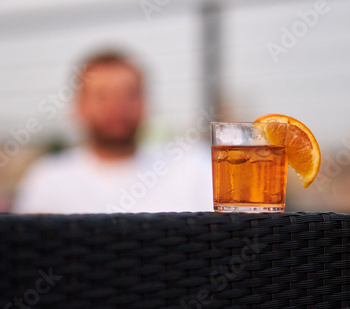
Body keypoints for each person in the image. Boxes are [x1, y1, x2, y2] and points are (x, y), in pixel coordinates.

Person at [12, 51, 212, 213]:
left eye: (130, 94)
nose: (117, 106)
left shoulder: (192, 166)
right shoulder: (48, 179)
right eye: (102, 96)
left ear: (146, 103)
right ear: (78, 107)